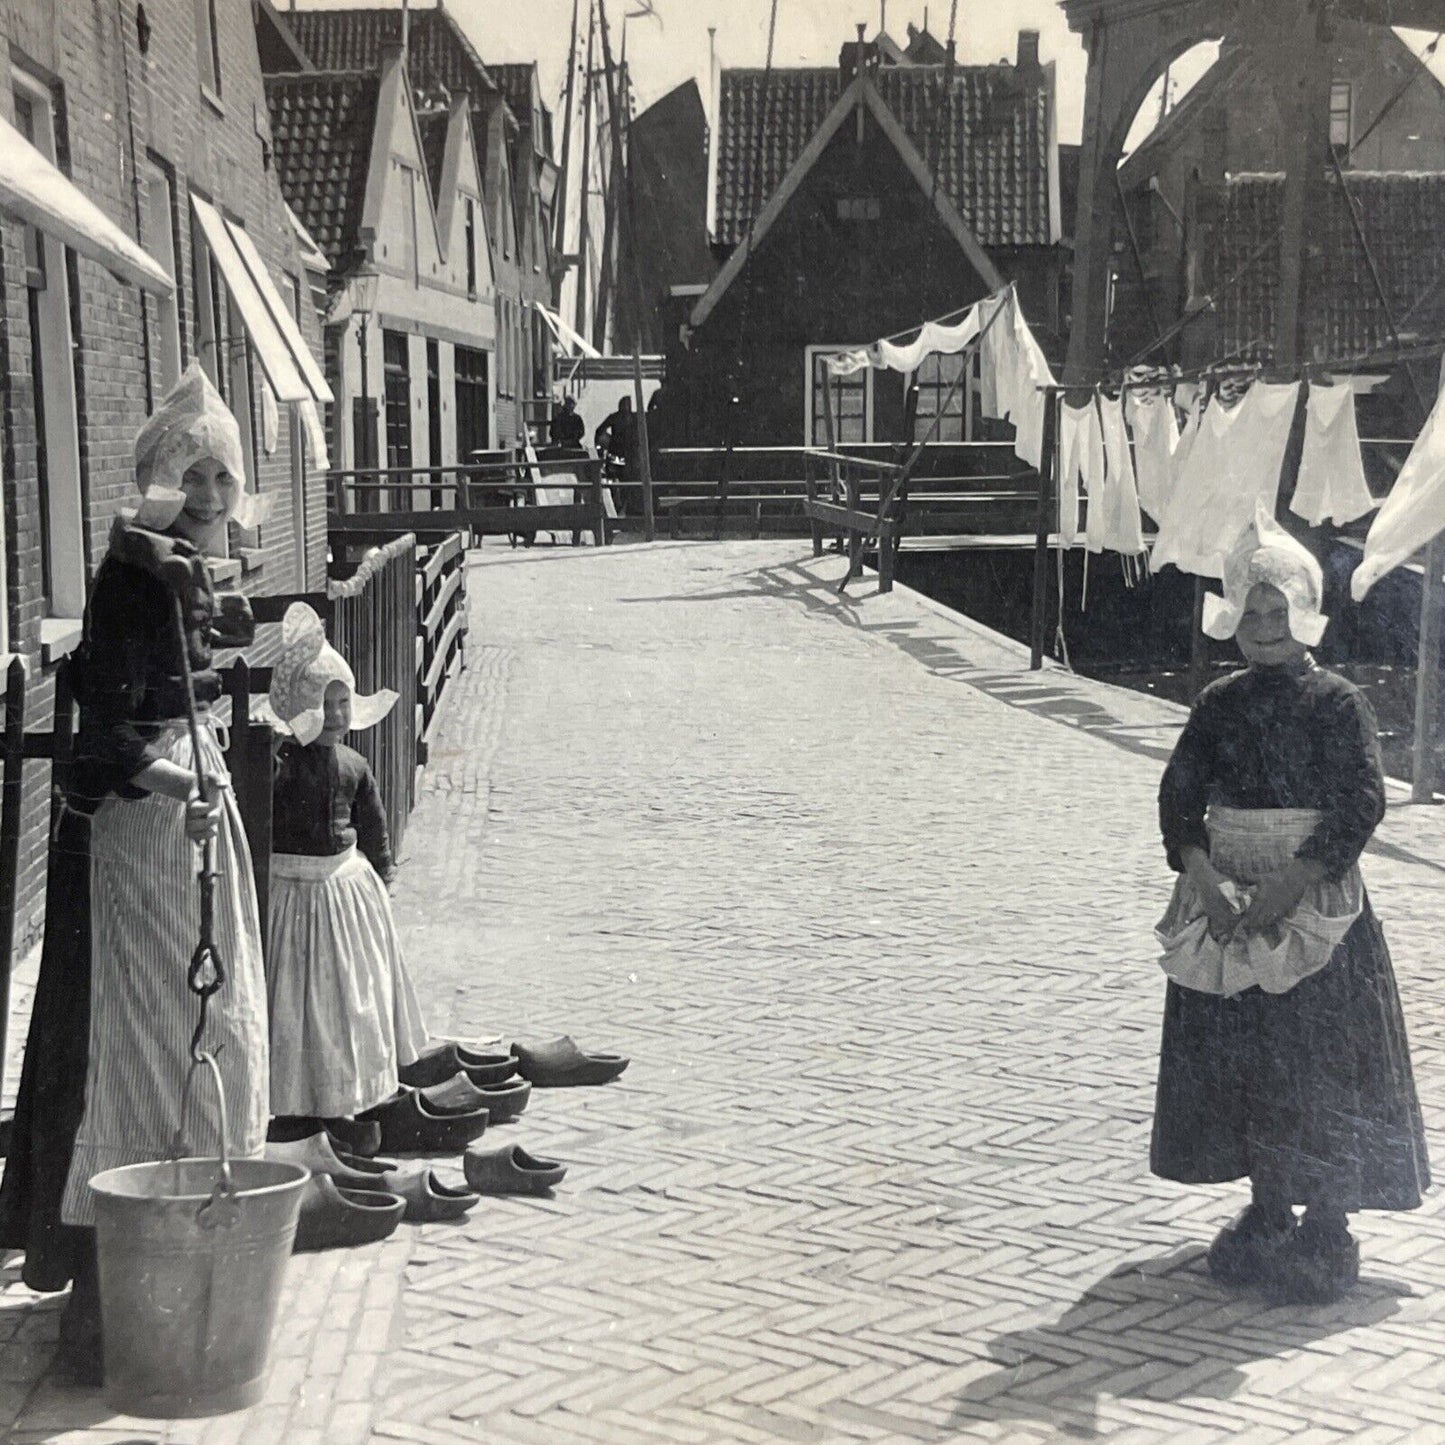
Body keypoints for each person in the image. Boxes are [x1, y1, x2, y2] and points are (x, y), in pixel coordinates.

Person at [0, 365, 271, 1381]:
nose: (207, 496)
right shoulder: (131, 580)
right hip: (145, 831)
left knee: (209, 1038)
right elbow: (106, 740)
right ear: (157, 479)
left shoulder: (202, 569)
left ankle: (196, 1256)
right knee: (150, 1046)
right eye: (190, 478)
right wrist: (179, 786)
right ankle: (116, 1291)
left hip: (191, 820)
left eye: (220, 479)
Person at [1152, 507, 1429, 1304]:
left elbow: (1360, 800)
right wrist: (1200, 871)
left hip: (1314, 906)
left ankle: (1327, 1224)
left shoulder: (1336, 702)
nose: (1264, 628)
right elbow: (1178, 793)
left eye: (1277, 613)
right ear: (1232, 620)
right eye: (1250, 614)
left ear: (1303, 615)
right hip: (1231, 899)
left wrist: (1295, 877)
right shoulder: (1218, 703)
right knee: (1250, 1054)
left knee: (1324, 1060)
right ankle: (1268, 1209)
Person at [260, 604, 429, 1128]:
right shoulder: (280, 767)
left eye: (341, 704)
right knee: (296, 1001)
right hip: (293, 891)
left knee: (353, 994)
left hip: (344, 890)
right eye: (323, 704)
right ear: (300, 707)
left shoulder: (355, 767)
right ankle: (296, 1101)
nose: (336, 716)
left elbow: (373, 830)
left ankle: (354, 1093)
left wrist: (379, 877)